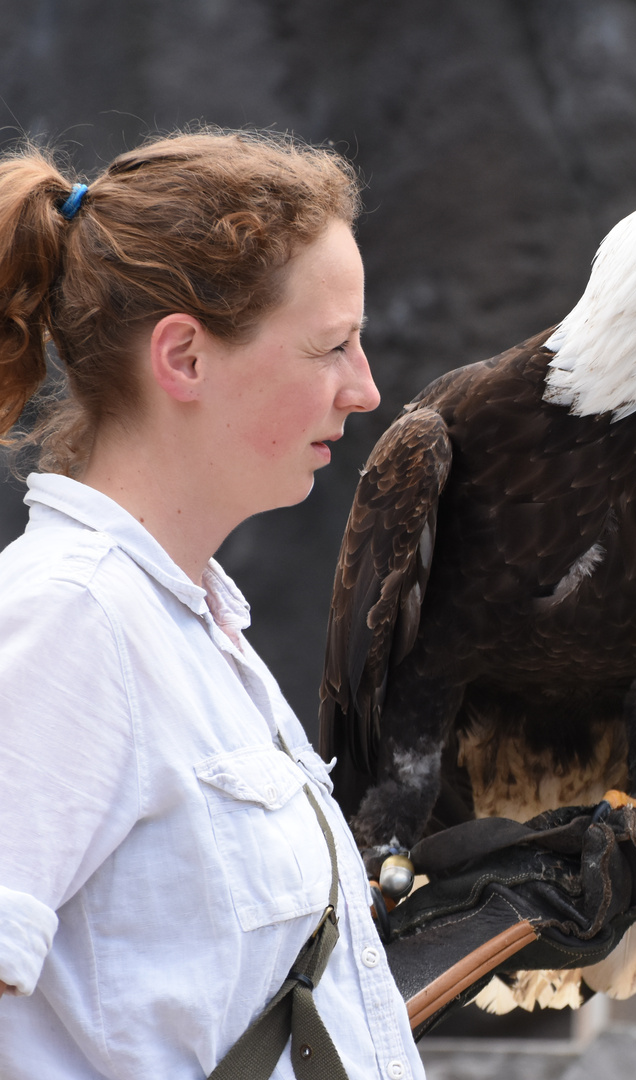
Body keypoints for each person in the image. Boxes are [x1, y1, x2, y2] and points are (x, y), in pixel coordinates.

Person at [0, 130, 425, 1080]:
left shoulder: (187, 623)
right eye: (332, 346)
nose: (365, 389)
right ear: (185, 357)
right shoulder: (69, 624)